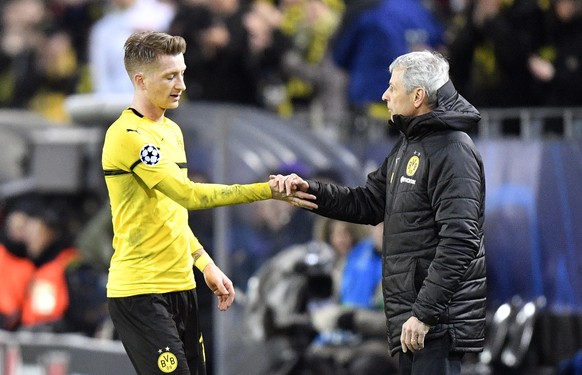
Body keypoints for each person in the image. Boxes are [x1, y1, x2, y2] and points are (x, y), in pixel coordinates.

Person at [101, 31, 316, 375]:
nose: (181, 85)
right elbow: (188, 195)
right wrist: (266, 190)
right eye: (170, 76)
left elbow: (170, 214)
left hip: (182, 286)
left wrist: (204, 264)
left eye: (182, 73)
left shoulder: (172, 131)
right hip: (140, 292)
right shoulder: (127, 136)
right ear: (140, 80)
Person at [282, 50, 487, 375]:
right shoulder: (409, 145)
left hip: (436, 323)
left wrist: (425, 314)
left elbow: (461, 241)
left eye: (392, 87)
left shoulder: (453, 150)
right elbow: (368, 202)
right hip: (411, 318)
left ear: (418, 96)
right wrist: (310, 191)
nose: (385, 95)